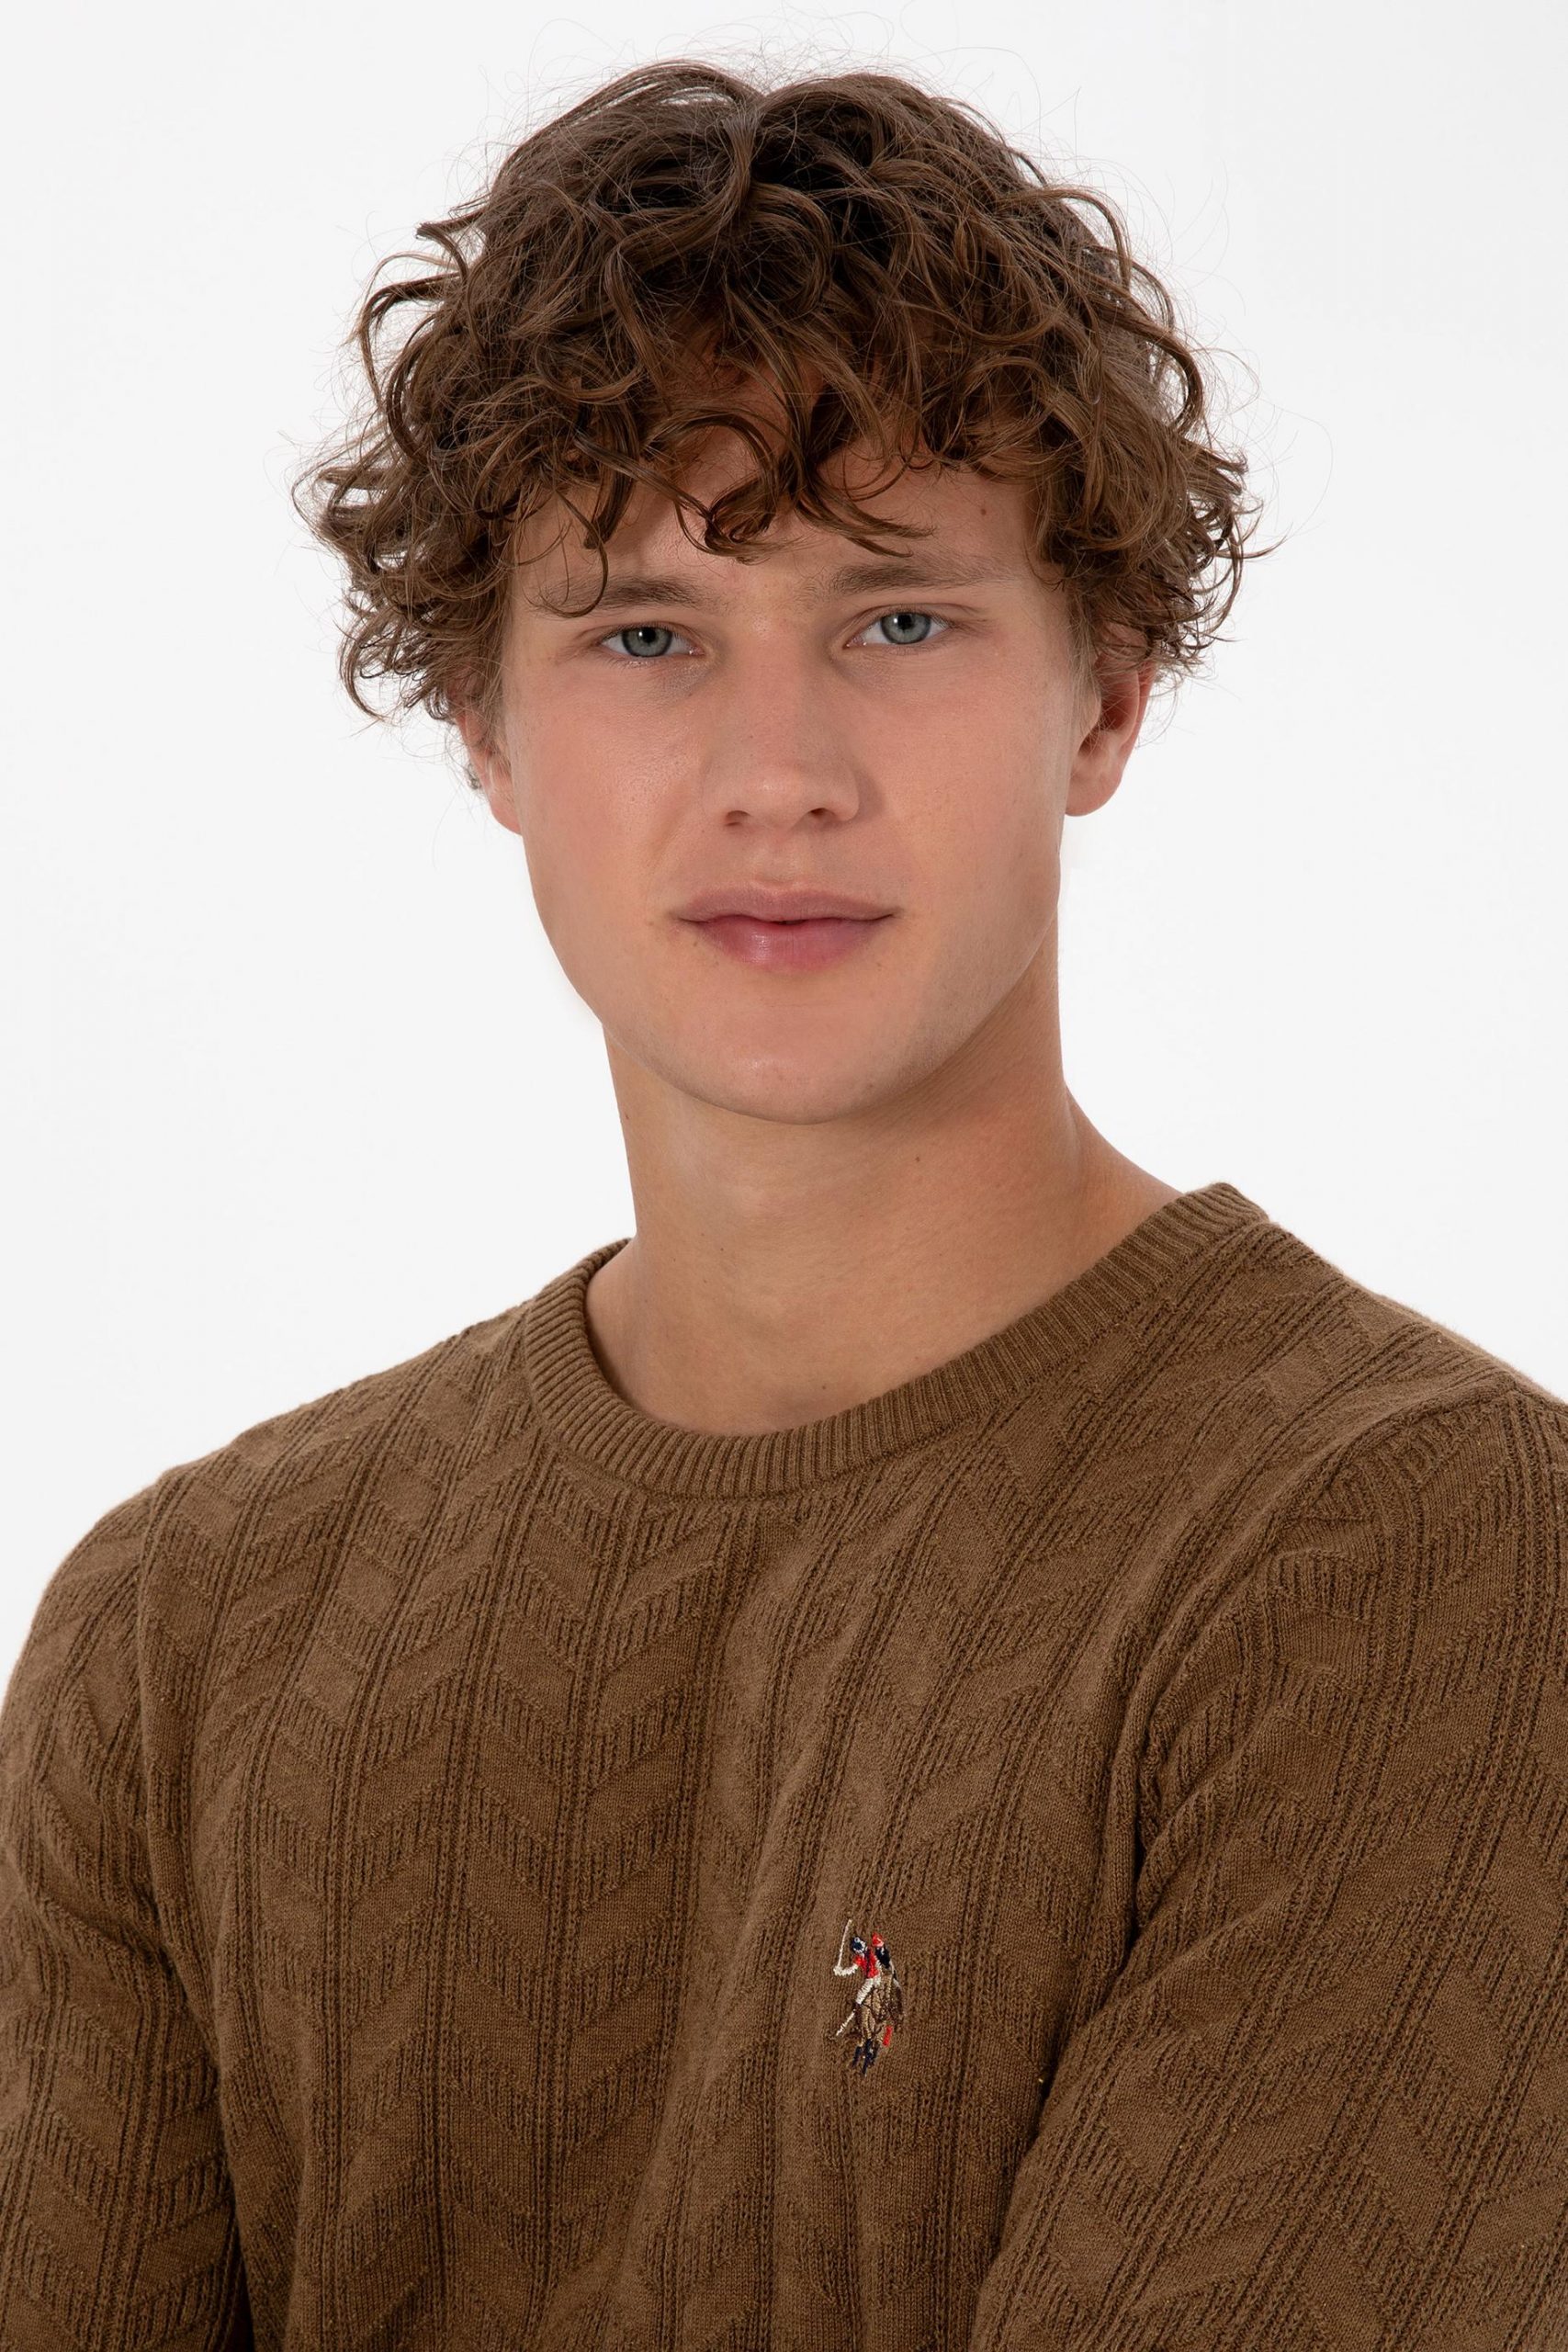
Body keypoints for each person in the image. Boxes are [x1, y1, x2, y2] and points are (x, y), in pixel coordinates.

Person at [2, 56, 1563, 2352]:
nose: (777, 777)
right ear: (484, 724)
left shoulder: (1405, 1553)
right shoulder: (182, 1634)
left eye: (896, 621)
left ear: (1105, 696)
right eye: (644, 633)